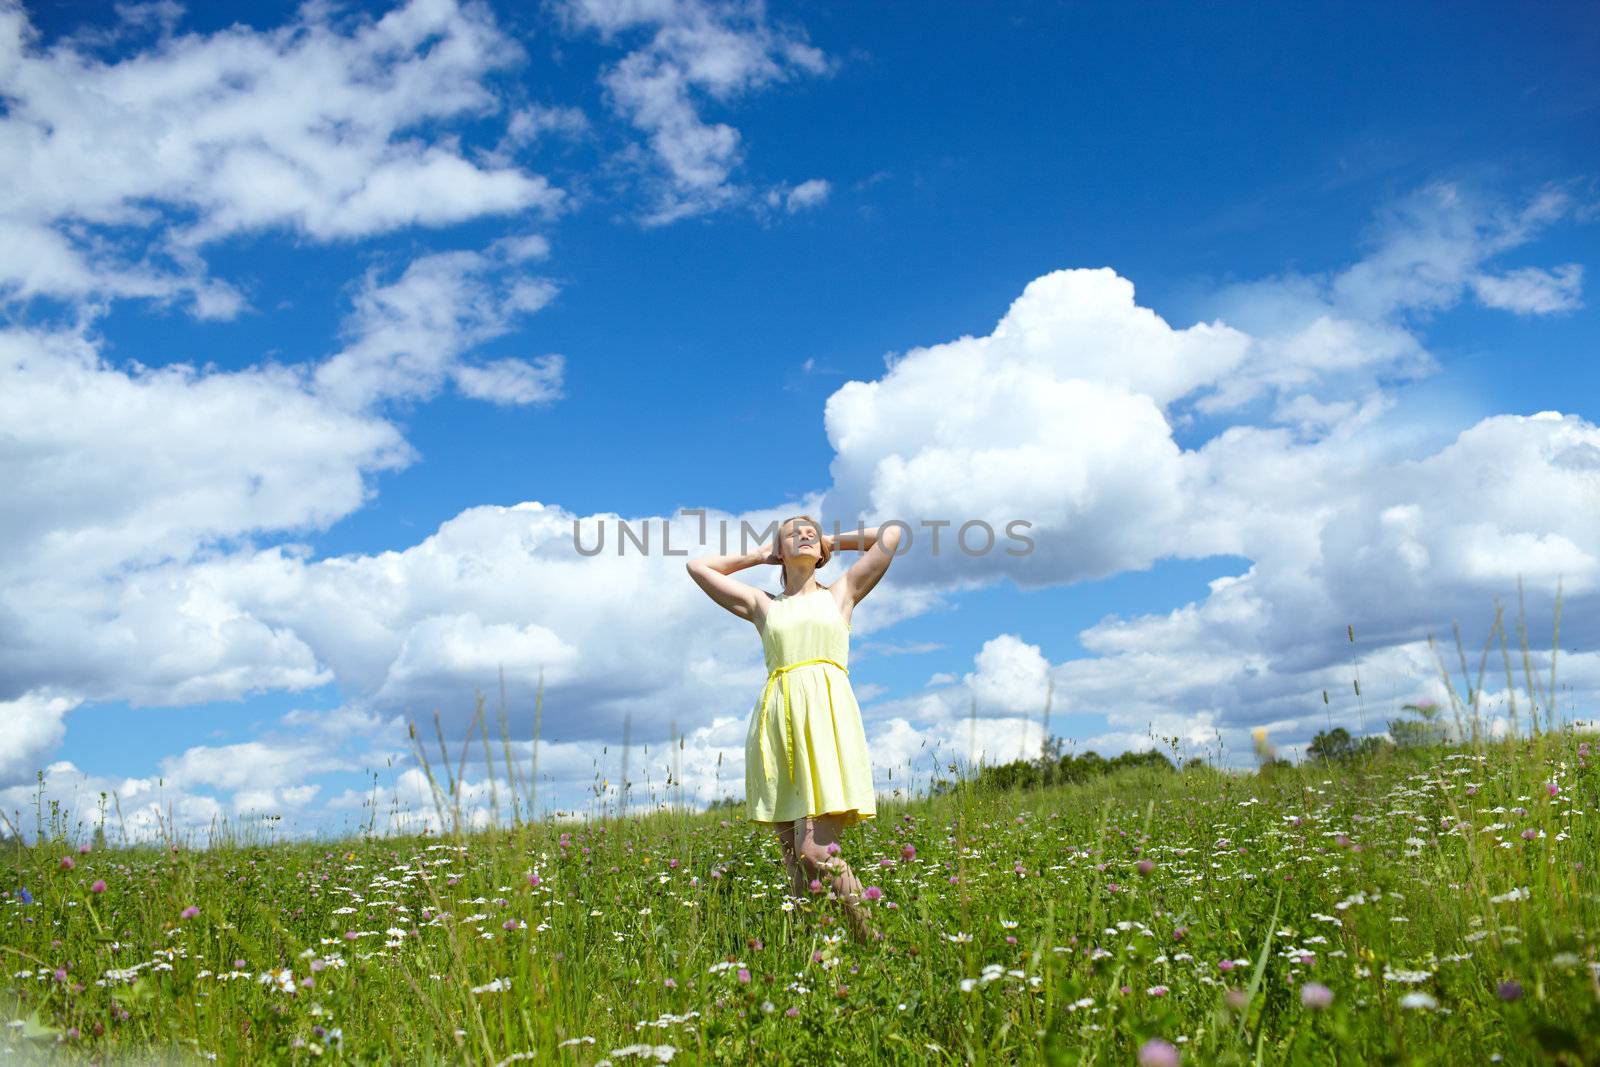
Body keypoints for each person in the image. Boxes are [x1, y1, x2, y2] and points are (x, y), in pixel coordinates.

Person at [686, 515, 901, 942]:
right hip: (777, 727)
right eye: (792, 532)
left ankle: (875, 942)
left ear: (820, 551)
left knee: (815, 852)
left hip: (827, 723)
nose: (804, 534)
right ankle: (813, 959)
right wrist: (760, 555)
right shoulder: (764, 605)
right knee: (795, 863)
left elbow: (891, 536)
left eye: (810, 531)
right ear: (779, 552)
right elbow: (698, 568)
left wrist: (832, 541)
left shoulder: (841, 594)